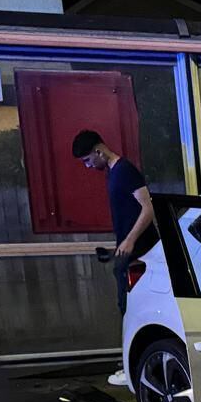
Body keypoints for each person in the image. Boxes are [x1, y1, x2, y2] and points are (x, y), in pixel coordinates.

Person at [70, 129, 157, 386]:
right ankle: (130, 365)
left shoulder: (125, 171)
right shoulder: (115, 174)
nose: (87, 166)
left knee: (131, 307)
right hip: (129, 249)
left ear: (99, 151)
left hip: (140, 251)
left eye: (87, 160)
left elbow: (147, 207)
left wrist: (130, 240)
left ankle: (132, 367)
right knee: (125, 306)